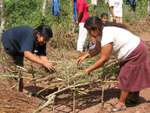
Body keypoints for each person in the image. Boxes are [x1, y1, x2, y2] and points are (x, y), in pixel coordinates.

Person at [76, 16, 150, 112]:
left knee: (125, 76)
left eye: (89, 31)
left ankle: (121, 104)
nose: (89, 34)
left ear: (96, 28)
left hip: (136, 51)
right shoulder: (100, 34)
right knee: (134, 74)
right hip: (136, 49)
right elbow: (97, 49)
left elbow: (104, 60)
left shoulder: (107, 35)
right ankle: (135, 98)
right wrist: (86, 56)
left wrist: (89, 70)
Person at [1, 25, 55, 96]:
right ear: (38, 34)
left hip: (19, 47)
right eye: (45, 39)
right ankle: (16, 92)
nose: (45, 42)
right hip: (9, 42)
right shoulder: (30, 37)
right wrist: (44, 63)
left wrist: (48, 66)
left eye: (47, 40)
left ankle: (20, 89)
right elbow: (27, 54)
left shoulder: (42, 42)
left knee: (19, 68)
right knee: (12, 69)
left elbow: (42, 56)